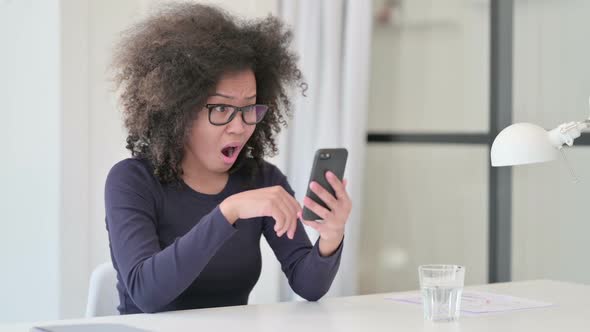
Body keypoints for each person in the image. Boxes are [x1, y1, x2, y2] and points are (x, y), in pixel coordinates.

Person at [105, 3, 352, 314]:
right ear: (179, 112)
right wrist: (228, 212)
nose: (240, 126)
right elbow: (147, 293)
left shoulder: (262, 180)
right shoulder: (132, 181)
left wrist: (331, 237)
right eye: (221, 109)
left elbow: (308, 284)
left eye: (250, 108)